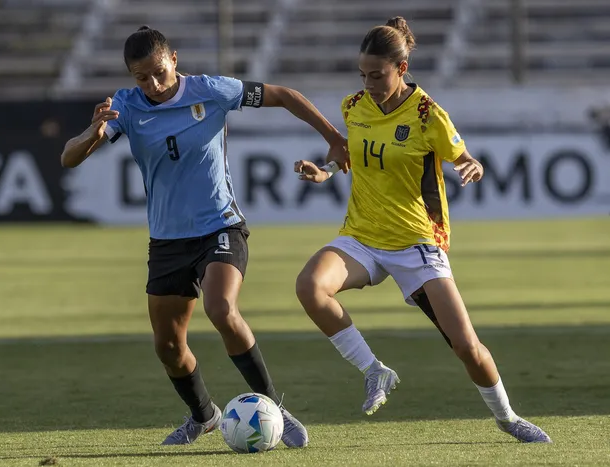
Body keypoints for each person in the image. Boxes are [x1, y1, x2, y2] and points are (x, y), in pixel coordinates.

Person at [60, 26, 347, 447]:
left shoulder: (212, 90)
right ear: (131, 77)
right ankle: (204, 415)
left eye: (159, 72)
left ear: (173, 58)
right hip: (167, 241)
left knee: (221, 307)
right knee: (169, 347)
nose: (154, 85)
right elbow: (69, 158)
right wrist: (92, 134)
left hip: (220, 226)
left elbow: (283, 94)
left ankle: (274, 409)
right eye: (142, 77)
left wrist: (334, 138)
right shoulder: (125, 106)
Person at [293, 17, 551, 443]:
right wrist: (324, 172)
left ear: (402, 67)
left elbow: (465, 157)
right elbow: (353, 160)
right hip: (361, 236)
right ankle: (375, 371)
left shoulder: (430, 114)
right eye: (363, 74)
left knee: (466, 347)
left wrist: (473, 164)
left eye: (377, 75)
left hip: (417, 244)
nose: (369, 83)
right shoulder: (353, 106)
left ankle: (508, 418)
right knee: (309, 286)